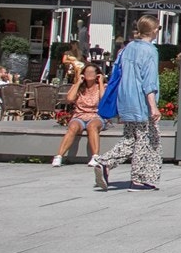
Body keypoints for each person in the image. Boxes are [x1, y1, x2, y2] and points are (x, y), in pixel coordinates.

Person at [90, 16, 162, 191]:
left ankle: (105, 163)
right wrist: (153, 106)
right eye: (158, 29)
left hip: (125, 97)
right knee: (148, 139)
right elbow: (149, 80)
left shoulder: (127, 48)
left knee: (131, 137)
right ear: (153, 31)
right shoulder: (150, 50)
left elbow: (117, 72)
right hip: (141, 100)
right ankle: (139, 179)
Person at [54, 63, 105, 166]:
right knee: (73, 127)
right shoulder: (78, 87)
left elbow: (103, 100)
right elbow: (69, 99)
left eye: (92, 72)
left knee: (92, 126)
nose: (89, 74)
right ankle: (59, 156)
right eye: (87, 72)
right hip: (79, 116)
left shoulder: (101, 87)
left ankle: (95, 157)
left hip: (96, 116)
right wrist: (78, 83)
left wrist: (100, 82)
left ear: (97, 75)